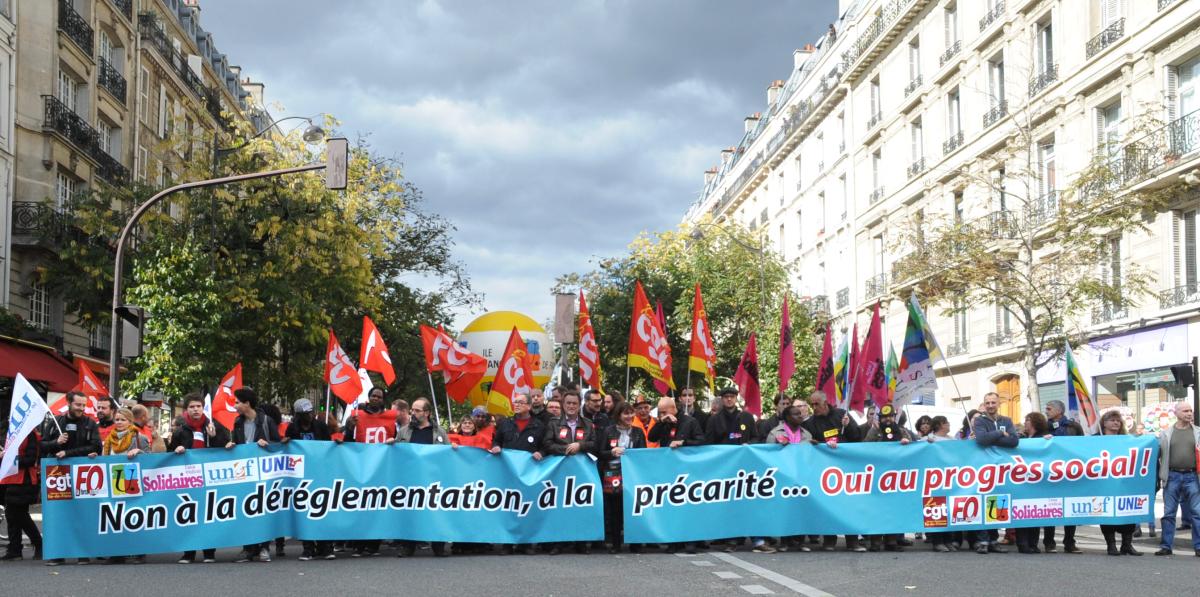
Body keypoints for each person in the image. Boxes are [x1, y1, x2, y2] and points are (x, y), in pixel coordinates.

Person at [40, 391, 101, 566]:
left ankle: (83, 554)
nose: (81, 408)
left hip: (82, 475)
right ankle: (58, 554)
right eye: (78, 405)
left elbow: (96, 446)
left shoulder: (90, 423)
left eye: (84, 405)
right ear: (69, 403)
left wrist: (68, 453)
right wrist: (55, 443)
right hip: (57, 475)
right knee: (58, 515)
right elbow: (42, 446)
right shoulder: (55, 422)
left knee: (82, 514)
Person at [167, 393, 228, 564]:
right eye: (192, 407)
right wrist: (176, 449)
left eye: (198, 406)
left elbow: (225, 448)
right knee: (188, 515)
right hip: (188, 480)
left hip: (209, 479)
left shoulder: (213, 425)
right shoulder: (181, 430)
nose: (196, 410)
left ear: (203, 408)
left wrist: (215, 436)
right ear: (187, 409)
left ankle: (209, 552)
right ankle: (189, 552)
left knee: (208, 515)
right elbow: (170, 453)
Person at [224, 387, 280, 563]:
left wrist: (268, 444)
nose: (235, 405)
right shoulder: (238, 423)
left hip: (264, 473)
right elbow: (239, 443)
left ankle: (264, 547)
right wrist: (232, 445)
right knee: (246, 509)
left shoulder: (266, 421)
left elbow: (278, 445)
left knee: (263, 509)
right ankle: (248, 549)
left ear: (247, 403)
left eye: (237, 402)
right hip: (244, 473)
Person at [396, 398, 451, 557]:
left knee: (436, 512)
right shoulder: (404, 431)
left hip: (434, 478)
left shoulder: (439, 432)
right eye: (412, 410)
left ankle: (438, 546)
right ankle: (408, 546)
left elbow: (447, 453)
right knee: (411, 512)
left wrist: (452, 449)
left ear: (427, 413)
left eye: (417, 410)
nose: (413, 413)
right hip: (411, 478)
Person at [543, 390, 595, 555]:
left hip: (583, 472)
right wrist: (565, 449)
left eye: (574, 403)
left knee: (581, 505)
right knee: (560, 506)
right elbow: (547, 444)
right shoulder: (553, 423)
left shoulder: (588, 423)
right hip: (560, 471)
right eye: (568, 403)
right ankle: (558, 542)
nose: (571, 406)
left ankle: (581, 541)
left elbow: (595, 443)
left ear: (579, 405)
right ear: (563, 405)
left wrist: (580, 446)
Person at [972, 392, 1016, 554]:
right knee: (982, 502)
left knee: (997, 503)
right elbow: (981, 440)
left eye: (993, 402)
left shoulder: (1007, 421)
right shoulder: (979, 421)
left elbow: (1013, 441)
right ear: (984, 404)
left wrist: (994, 438)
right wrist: (999, 434)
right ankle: (982, 540)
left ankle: (993, 540)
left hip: (1002, 469)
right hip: (983, 468)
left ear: (999, 403)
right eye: (987, 403)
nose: (990, 405)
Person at [598, 402, 646, 553]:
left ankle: (635, 542)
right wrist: (612, 452)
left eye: (632, 413)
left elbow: (643, 454)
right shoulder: (608, 431)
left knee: (633, 509)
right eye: (626, 413)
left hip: (632, 475)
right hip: (612, 474)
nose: (630, 416)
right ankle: (616, 544)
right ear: (618, 415)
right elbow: (600, 452)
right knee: (615, 510)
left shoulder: (638, 432)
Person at [864, 404, 912, 552]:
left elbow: (915, 446)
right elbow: (864, 447)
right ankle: (876, 541)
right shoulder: (875, 431)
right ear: (880, 418)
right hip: (878, 477)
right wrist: (874, 430)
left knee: (893, 509)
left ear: (894, 417)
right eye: (884, 417)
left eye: (890, 416)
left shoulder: (902, 431)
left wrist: (907, 442)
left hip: (897, 478)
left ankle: (891, 541)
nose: (887, 419)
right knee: (877, 510)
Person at [1155, 400, 1200, 556]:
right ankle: (1166, 546)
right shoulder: (1165, 434)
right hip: (1172, 476)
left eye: (1190, 411)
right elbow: (1156, 455)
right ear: (1176, 413)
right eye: (1185, 411)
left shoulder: (1198, 432)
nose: (1189, 413)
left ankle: (1199, 547)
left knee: (1197, 513)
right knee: (1169, 513)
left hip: (1193, 476)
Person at [1095, 410, 1141, 556]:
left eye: (1118, 420)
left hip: (1124, 483)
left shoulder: (1127, 439)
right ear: (1104, 423)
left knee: (1129, 512)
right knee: (1107, 513)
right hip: (1104, 483)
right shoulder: (1095, 439)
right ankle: (1111, 545)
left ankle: (1127, 545)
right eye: (1112, 420)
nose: (1116, 423)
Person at [1, 418, 42, 562]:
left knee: (18, 514)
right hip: (11, 479)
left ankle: (38, 543)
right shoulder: (13, 434)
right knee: (12, 515)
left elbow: (30, 459)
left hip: (25, 479)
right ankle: (15, 549)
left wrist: (7, 458)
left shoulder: (30, 434)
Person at [1013, 412, 1051, 554]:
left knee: (1035, 512)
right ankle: (1022, 543)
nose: (1025, 422)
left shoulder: (1042, 438)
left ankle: (1033, 543)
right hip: (1022, 479)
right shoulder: (1021, 438)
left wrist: (1048, 441)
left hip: (1037, 479)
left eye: (1027, 420)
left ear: (1035, 422)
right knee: (1022, 511)